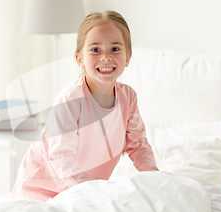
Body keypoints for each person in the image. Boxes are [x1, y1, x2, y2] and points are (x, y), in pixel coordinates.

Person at [12, 10, 158, 201]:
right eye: (95, 50)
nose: (106, 56)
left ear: (128, 57)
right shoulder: (70, 99)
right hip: (41, 191)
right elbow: (61, 157)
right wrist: (95, 192)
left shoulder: (128, 97)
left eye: (115, 49)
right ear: (79, 58)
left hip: (84, 193)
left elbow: (138, 145)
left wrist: (156, 180)